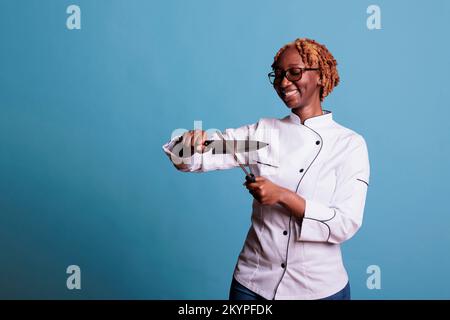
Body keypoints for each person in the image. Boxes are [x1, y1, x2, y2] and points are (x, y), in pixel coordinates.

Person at [162, 38, 370, 300]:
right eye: (278, 75)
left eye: (294, 72)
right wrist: (188, 144)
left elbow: (345, 223)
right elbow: (194, 159)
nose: (283, 83)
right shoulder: (263, 133)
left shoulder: (349, 145)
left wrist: (283, 196)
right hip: (252, 284)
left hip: (318, 290)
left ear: (320, 75)